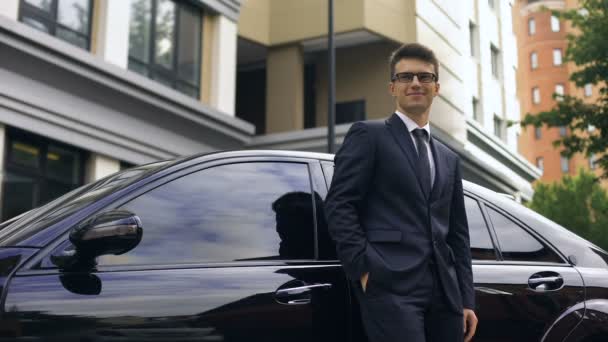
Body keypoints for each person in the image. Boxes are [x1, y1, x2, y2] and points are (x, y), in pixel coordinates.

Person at [325, 43, 478, 342]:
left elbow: (458, 233)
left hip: (445, 296)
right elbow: (339, 204)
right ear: (392, 87)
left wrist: (465, 299)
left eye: (425, 77)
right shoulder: (369, 136)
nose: (416, 83)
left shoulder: (449, 158)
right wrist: (364, 269)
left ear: (437, 88)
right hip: (390, 286)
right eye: (406, 77)